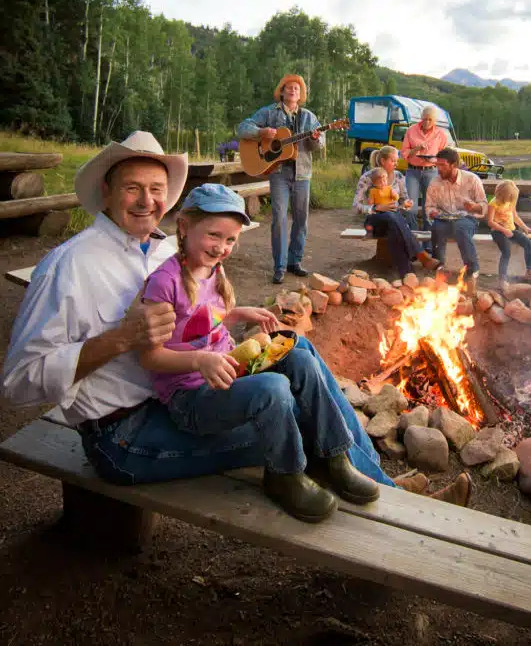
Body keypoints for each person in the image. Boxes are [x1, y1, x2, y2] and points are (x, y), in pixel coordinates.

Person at [1, 133, 394, 504]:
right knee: (292, 412)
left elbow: (193, 324)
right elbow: (18, 383)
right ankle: (388, 498)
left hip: (184, 393)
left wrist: (232, 320)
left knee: (297, 350)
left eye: (156, 190)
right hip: (125, 433)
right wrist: (120, 339)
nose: (146, 201)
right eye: (132, 188)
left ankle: (377, 483)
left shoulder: (163, 252)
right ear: (107, 190)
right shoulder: (68, 266)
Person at [138, 181, 379, 522]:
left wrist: (238, 313)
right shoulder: (164, 282)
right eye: (213, 235)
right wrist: (198, 360)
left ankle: (332, 456)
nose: (221, 247)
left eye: (230, 239)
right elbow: (149, 356)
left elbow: (200, 319)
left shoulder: (212, 269)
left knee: (297, 354)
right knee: (273, 389)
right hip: (191, 397)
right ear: (184, 226)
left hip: (227, 370)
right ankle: (284, 474)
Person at [237, 74, 323, 285]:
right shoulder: (269, 112)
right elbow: (242, 128)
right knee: (279, 219)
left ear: (301, 94)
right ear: (282, 91)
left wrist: (315, 139)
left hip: (302, 174)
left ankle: (295, 261)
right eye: (289, 87)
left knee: (301, 220)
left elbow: (319, 145)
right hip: (278, 174)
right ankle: (280, 266)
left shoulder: (309, 117)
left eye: (297, 88)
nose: (293, 91)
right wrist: (261, 132)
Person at [353, 146, 441, 277]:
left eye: (397, 161)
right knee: (391, 217)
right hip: (374, 222)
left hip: (395, 221)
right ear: (383, 161)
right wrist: (375, 208)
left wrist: (406, 203)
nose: (396, 164)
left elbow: (404, 200)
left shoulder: (399, 176)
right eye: (393, 161)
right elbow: (356, 206)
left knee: (394, 223)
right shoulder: (368, 177)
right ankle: (421, 256)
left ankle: (407, 274)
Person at [425, 148, 488, 294]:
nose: (438, 169)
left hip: (467, 218)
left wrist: (474, 206)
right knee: (437, 228)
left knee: (460, 227)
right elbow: (429, 206)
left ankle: (472, 272)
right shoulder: (435, 182)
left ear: (454, 165)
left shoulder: (472, 179)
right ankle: (439, 270)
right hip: (444, 218)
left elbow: (484, 206)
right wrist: (432, 212)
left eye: (442, 165)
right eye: (437, 165)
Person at [487, 180, 531, 295]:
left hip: (511, 230)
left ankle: (529, 272)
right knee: (506, 252)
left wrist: (526, 228)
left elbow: (515, 216)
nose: (511, 200)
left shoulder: (511, 201)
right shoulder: (493, 203)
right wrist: (504, 230)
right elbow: (490, 222)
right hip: (498, 231)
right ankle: (502, 280)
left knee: (527, 242)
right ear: (503, 195)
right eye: (509, 198)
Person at [400, 105, 449, 230]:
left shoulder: (440, 134)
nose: (427, 122)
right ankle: (413, 237)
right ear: (421, 118)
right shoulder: (411, 130)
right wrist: (417, 149)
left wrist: (434, 160)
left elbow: (443, 156)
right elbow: (404, 154)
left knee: (430, 207)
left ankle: (428, 242)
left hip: (431, 171)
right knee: (411, 207)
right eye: (425, 119)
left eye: (430, 119)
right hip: (413, 171)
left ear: (435, 121)